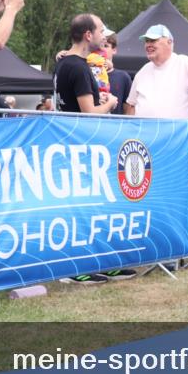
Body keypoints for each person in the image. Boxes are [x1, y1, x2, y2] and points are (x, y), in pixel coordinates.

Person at [53, 14, 135, 284]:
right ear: (88, 35)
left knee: (92, 206)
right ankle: (77, 268)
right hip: (80, 144)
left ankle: (99, 261)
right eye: (100, 30)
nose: (104, 35)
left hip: (74, 143)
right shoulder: (77, 66)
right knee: (81, 208)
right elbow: (89, 112)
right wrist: (110, 104)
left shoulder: (69, 63)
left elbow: (79, 102)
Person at [124, 24, 188, 126]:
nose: (148, 44)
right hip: (144, 136)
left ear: (169, 42)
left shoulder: (184, 63)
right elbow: (131, 105)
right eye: (146, 41)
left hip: (175, 137)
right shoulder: (143, 71)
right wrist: (131, 127)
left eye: (153, 40)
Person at [104, 32, 131, 115]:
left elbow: (128, 109)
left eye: (105, 46)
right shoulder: (86, 72)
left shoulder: (123, 77)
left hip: (115, 126)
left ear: (114, 50)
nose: (101, 49)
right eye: (99, 46)